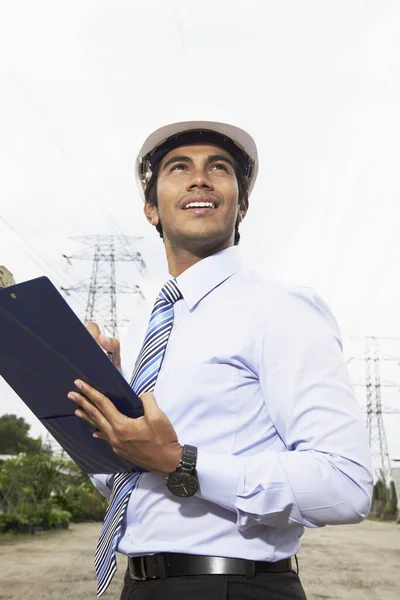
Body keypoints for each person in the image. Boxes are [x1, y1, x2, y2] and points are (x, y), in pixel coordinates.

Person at [68, 120, 373, 600]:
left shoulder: (282, 308)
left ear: (242, 205)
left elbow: (346, 484)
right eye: (178, 167)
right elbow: (126, 487)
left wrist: (180, 461)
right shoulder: (144, 327)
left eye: (219, 168)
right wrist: (97, 411)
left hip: (233, 586)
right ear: (151, 209)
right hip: (141, 584)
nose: (199, 178)